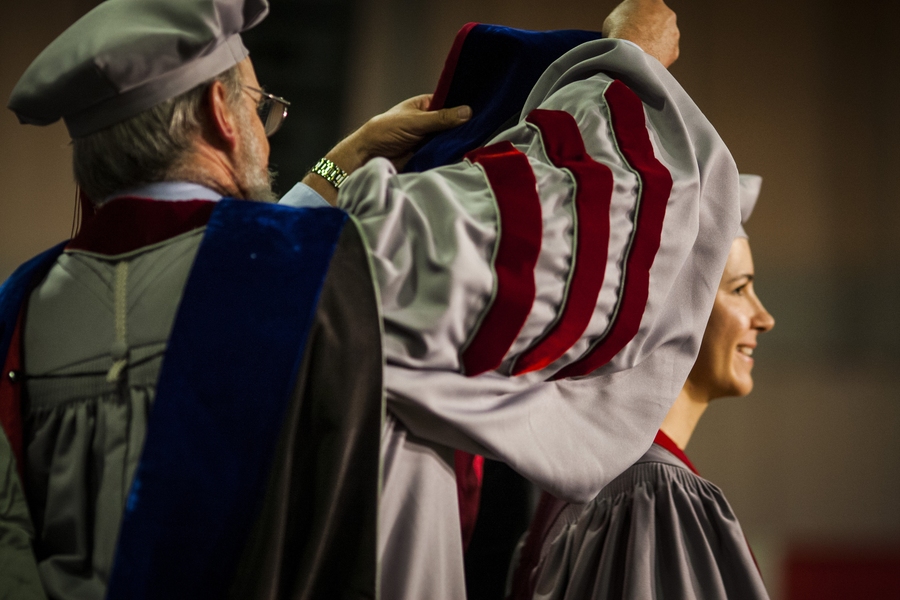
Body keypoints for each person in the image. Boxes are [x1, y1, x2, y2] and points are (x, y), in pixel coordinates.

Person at [0, 0, 746, 597]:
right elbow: (572, 214)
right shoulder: (344, 269)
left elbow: (226, 269)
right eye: (260, 104)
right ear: (221, 117)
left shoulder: (23, 311)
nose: (266, 125)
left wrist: (338, 162)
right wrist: (629, 62)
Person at [509, 175, 775, 600]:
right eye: (740, 289)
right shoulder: (650, 489)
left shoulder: (583, 478)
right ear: (677, 309)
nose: (764, 318)